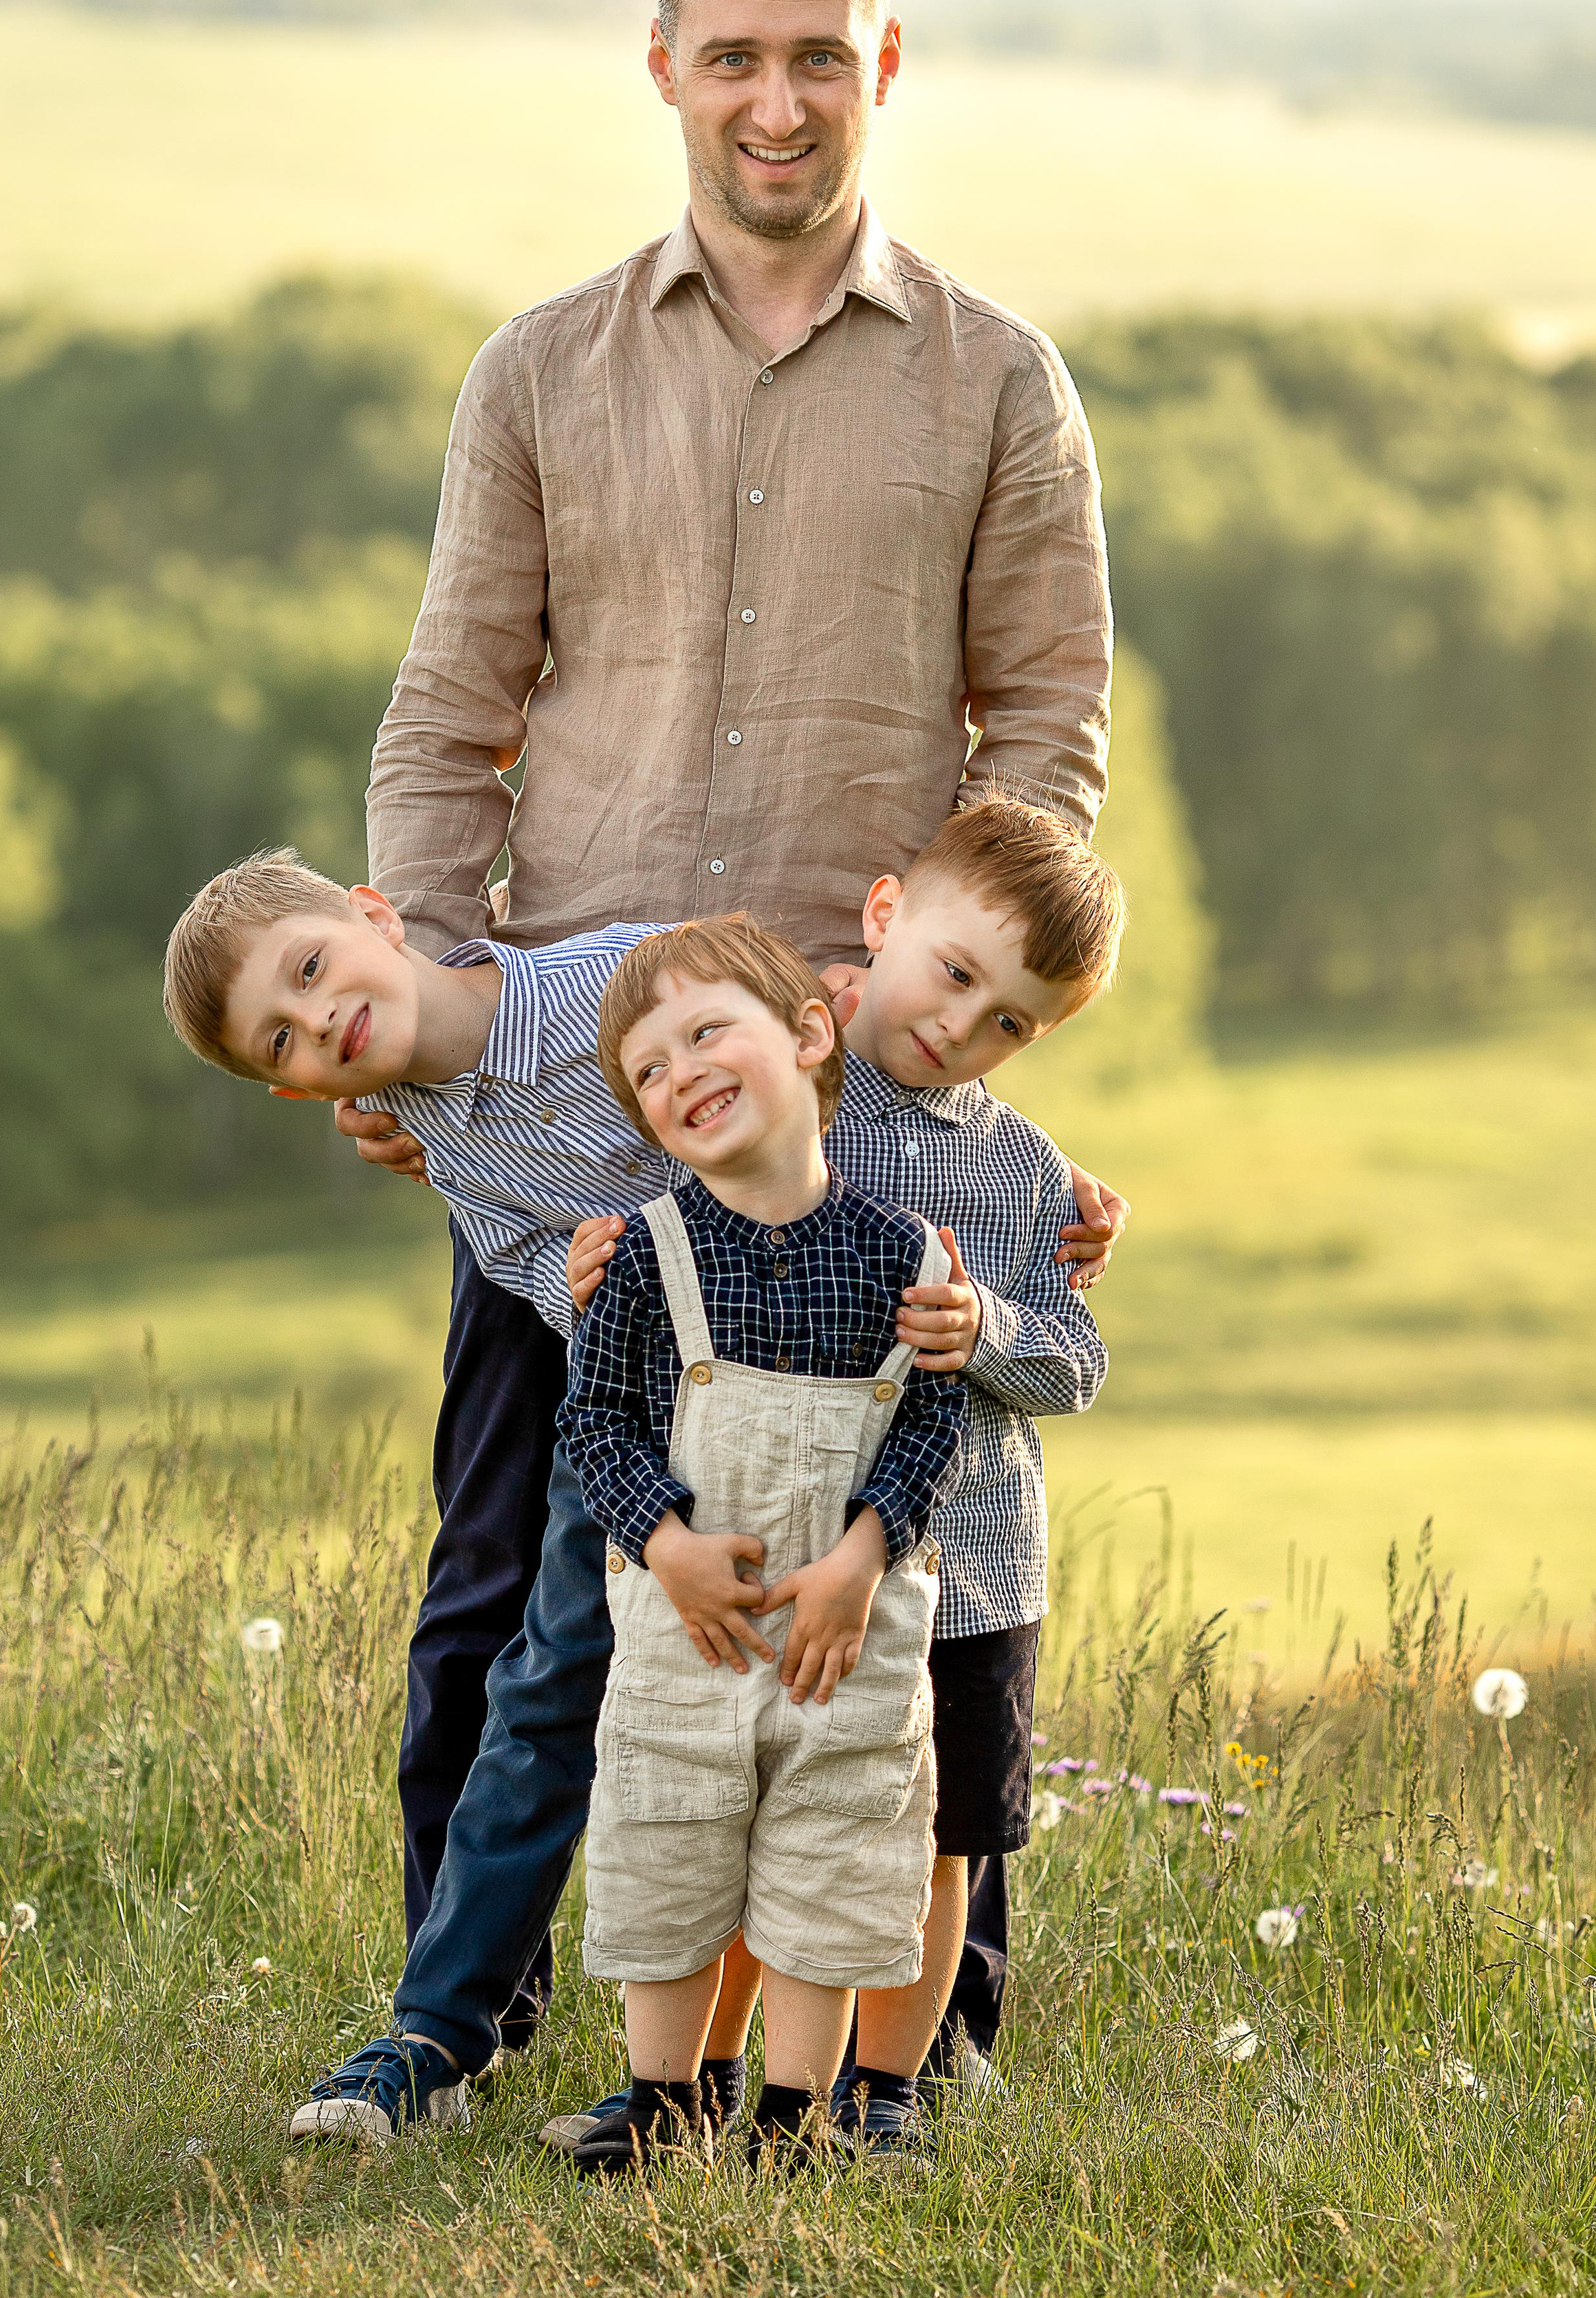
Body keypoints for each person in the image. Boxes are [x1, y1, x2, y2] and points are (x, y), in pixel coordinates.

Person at [336, 0, 1119, 2086]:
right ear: (667, 68)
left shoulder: (996, 381)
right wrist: (428, 1005)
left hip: (848, 1093)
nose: (775, 98)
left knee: (915, 1565)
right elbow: (444, 722)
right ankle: (452, 2015)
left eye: (817, 55)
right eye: (733, 54)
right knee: (511, 1574)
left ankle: (910, 2029)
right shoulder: (541, 371)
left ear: (880, 70)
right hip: (581, 1089)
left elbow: (1045, 738)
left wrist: (958, 1041)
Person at [157, 798, 1119, 2146]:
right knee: (562, 1692)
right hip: (657, 1419)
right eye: (284, 1037)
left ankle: (875, 2081)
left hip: (830, 1416)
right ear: (291, 1090)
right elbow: (529, 1268)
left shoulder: (619, 975)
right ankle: (456, 2038)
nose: (318, 1022)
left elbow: (842, 1064)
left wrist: (1035, 1165)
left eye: (311, 973)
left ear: (376, 916)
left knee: (841, 1757)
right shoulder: (436, 1137)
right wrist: (583, 1284)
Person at [560, 917, 966, 2175]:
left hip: (843, 1631)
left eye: (703, 1032)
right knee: (668, 1840)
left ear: (805, 1036)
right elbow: (595, 1418)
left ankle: (795, 2115)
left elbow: (931, 1418)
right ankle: (662, 2098)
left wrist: (864, 1559)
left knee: (835, 1853)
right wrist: (663, 1545)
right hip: (696, 1626)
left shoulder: (898, 1250)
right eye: (647, 1070)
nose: (677, 1072)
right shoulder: (644, 1258)